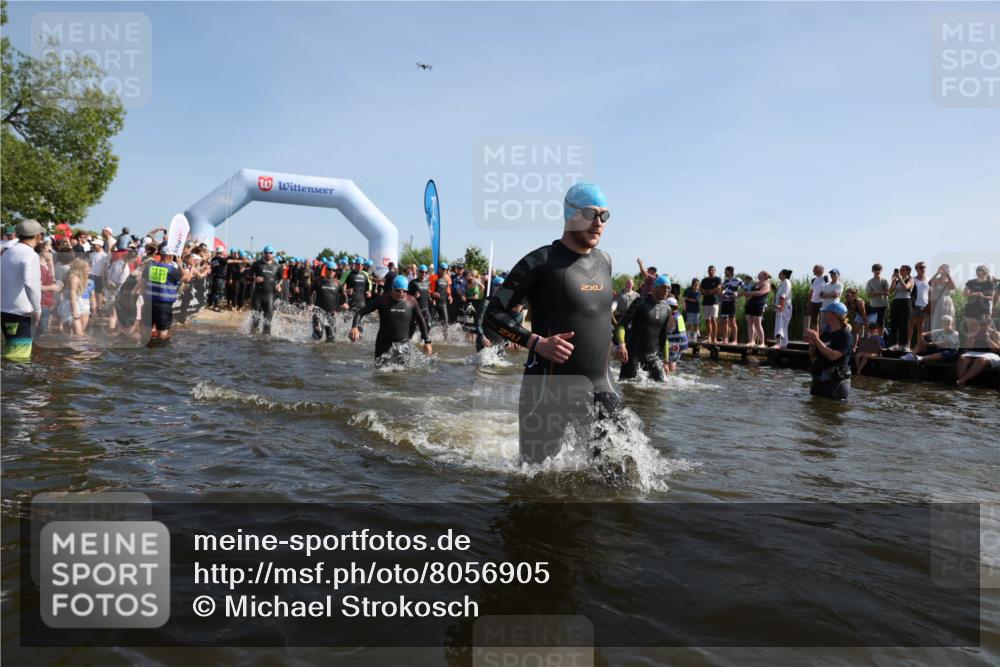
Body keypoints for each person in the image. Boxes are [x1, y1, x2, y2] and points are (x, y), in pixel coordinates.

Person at [483, 182, 627, 469]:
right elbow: (494, 313)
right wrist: (535, 342)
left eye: (605, 215)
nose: (598, 222)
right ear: (570, 214)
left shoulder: (605, 261)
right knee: (535, 479)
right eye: (591, 213)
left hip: (602, 385)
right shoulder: (540, 262)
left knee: (618, 473)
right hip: (547, 390)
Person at [349, 275, 432, 365]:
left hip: (403, 344)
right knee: (380, 371)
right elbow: (360, 313)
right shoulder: (382, 300)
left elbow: (421, 320)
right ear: (392, 288)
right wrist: (354, 327)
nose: (401, 294)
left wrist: (427, 341)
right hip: (384, 344)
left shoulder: (411, 301)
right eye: (398, 290)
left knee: (405, 372)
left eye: (404, 291)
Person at [615, 275, 673, 382]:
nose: (666, 290)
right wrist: (622, 345)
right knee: (628, 386)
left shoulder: (667, 309)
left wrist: (666, 361)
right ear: (655, 287)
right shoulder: (640, 302)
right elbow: (622, 325)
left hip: (652, 357)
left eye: (669, 288)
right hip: (633, 355)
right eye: (664, 287)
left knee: (661, 385)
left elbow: (664, 338)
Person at [1, 220, 44, 361]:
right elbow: (30, 284)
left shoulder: (8, 252)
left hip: (4, 310)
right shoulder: (31, 255)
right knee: (19, 357)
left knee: (11, 350)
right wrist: (37, 309)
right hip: (21, 312)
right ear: (38, 236)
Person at [136, 247, 190, 341]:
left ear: (160, 255)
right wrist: (181, 265)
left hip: (149, 303)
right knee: (162, 333)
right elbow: (187, 278)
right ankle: (161, 348)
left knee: (145, 330)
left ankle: (146, 348)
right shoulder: (172, 270)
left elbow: (143, 285)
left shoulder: (149, 267)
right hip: (164, 305)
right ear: (170, 256)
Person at [804, 301, 853, 400]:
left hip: (836, 382)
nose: (824, 314)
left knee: (833, 407)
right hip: (820, 379)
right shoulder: (826, 334)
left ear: (835, 315)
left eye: (827, 312)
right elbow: (813, 356)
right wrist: (813, 344)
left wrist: (817, 340)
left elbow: (833, 356)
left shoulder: (845, 335)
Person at [955, 318, 1000, 386]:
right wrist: (971, 338)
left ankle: (962, 380)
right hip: (975, 352)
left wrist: (988, 339)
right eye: (980, 324)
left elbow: (996, 349)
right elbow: (968, 347)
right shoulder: (975, 332)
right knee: (962, 358)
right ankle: (962, 382)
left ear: (989, 324)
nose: (982, 326)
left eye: (984, 324)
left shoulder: (995, 333)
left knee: (981, 359)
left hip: (990, 353)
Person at [58, 258, 95, 336]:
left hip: (75, 303)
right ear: (80, 268)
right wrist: (74, 311)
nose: (89, 269)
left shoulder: (78, 277)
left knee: (73, 332)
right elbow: (72, 295)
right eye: (87, 267)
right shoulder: (74, 278)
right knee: (79, 333)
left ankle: (69, 343)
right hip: (71, 305)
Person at [313, 259, 344, 342]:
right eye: (330, 269)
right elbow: (309, 293)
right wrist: (310, 304)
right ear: (326, 269)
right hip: (319, 312)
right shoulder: (318, 281)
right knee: (318, 334)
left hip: (331, 314)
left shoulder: (338, 284)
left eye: (334, 270)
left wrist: (344, 304)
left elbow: (344, 297)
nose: (332, 272)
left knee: (331, 339)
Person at [250, 245, 280, 334]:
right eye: (266, 252)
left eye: (270, 253)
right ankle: (253, 339)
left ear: (273, 254)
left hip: (270, 297)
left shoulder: (277, 266)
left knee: (267, 324)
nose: (268, 254)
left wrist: (279, 285)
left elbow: (281, 278)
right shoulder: (257, 264)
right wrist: (255, 278)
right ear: (263, 253)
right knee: (255, 322)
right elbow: (248, 275)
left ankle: (265, 341)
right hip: (258, 296)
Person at [889, 265, 914, 350]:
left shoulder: (910, 280)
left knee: (904, 323)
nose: (901, 271)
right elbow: (890, 291)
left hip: (905, 301)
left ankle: (903, 344)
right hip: (896, 301)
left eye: (903, 270)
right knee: (894, 323)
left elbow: (906, 287)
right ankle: (893, 344)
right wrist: (893, 280)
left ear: (908, 271)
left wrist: (899, 278)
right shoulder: (897, 280)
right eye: (900, 269)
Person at [743, 270, 771, 347]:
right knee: (750, 324)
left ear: (764, 276)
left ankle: (762, 343)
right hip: (749, 305)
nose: (758, 274)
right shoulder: (755, 284)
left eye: (760, 273)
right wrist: (746, 298)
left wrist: (750, 293)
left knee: (758, 324)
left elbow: (760, 293)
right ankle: (751, 341)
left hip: (758, 305)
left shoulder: (767, 284)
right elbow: (750, 295)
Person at [963, 265, 995, 329]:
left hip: (983, 310)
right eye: (977, 270)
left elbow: (991, 297)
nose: (977, 272)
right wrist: (973, 294)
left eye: (980, 270)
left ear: (985, 272)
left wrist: (982, 296)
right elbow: (964, 293)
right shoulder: (971, 282)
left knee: (983, 329)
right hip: (970, 309)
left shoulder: (989, 284)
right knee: (971, 329)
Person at [663, 296, 688, 373]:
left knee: (668, 362)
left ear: (669, 307)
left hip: (675, 344)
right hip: (682, 343)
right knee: (673, 361)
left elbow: (668, 330)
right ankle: (672, 374)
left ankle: (668, 376)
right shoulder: (679, 315)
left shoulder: (672, 317)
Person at [909, 262, 930, 349]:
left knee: (921, 327)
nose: (923, 269)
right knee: (911, 325)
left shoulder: (929, 279)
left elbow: (931, 292)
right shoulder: (912, 279)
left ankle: (919, 346)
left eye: (924, 267)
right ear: (916, 269)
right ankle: (907, 345)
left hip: (924, 305)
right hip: (913, 304)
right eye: (920, 267)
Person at [928, 263, 956, 331]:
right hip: (937, 302)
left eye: (946, 269)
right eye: (943, 268)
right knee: (936, 319)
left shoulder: (949, 281)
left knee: (946, 320)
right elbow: (930, 283)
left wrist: (948, 275)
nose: (944, 270)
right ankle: (936, 335)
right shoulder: (937, 280)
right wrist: (937, 273)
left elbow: (953, 287)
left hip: (947, 303)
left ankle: (947, 335)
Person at [719, 266, 742, 344]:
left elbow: (745, 288)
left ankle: (735, 340)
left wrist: (737, 294)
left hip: (732, 302)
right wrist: (721, 293)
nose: (724, 272)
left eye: (725, 271)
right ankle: (725, 339)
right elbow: (721, 290)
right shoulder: (725, 281)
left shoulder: (738, 280)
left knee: (732, 321)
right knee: (724, 321)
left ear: (729, 271)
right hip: (725, 302)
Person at [430, 262, 452, 336]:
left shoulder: (447, 278)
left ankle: (445, 339)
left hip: (443, 304)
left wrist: (450, 296)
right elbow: (428, 289)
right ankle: (426, 337)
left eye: (446, 269)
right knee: (429, 321)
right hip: (434, 303)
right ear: (439, 269)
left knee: (446, 322)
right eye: (443, 269)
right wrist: (432, 295)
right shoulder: (433, 277)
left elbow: (448, 289)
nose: (444, 271)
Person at [771, 269, 793, 349]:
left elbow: (784, 295)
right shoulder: (782, 283)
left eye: (780, 273)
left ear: (784, 274)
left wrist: (781, 306)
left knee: (780, 324)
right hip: (782, 307)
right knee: (783, 326)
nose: (778, 274)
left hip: (784, 307)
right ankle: (783, 344)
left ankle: (778, 343)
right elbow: (779, 294)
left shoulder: (786, 282)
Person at [700, 265, 722, 344]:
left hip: (714, 302)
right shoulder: (704, 280)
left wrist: (707, 292)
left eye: (712, 270)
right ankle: (708, 337)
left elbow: (718, 289)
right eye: (709, 270)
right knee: (707, 320)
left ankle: (714, 338)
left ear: (714, 271)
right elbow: (701, 291)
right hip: (706, 302)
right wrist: (711, 291)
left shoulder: (718, 279)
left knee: (713, 320)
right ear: (708, 271)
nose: (711, 271)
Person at [865, 264, 890, 328]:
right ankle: (873, 334)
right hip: (873, 305)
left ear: (881, 270)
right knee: (873, 323)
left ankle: (881, 334)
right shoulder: (869, 282)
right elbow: (869, 294)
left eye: (879, 269)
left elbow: (887, 292)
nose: (877, 271)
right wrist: (882, 292)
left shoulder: (885, 280)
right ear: (872, 270)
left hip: (883, 305)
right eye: (875, 270)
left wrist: (874, 292)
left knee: (881, 323)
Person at [807, 265, 828, 331]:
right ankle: (815, 335)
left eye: (814, 269)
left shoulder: (826, 278)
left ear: (820, 270)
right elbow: (811, 292)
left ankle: (822, 335)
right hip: (814, 302)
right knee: (814, 321)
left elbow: (829, 288)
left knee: (822, 321)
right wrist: (809, 303)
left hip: (822, 302)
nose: (813, 271)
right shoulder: (813, 280)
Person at [682, 278, 701, 343]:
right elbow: (684, 298)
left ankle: (694, 338)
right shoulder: (688, 290)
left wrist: (691, 299)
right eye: (695, 284)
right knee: (689, 324)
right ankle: (688, 338)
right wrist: (684, 308)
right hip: (689, 310)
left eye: (698, 284)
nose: (696, 285)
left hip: (697, 311)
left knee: (696, 324)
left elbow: (697, 300)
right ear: (692, 284)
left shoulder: (699, 292)